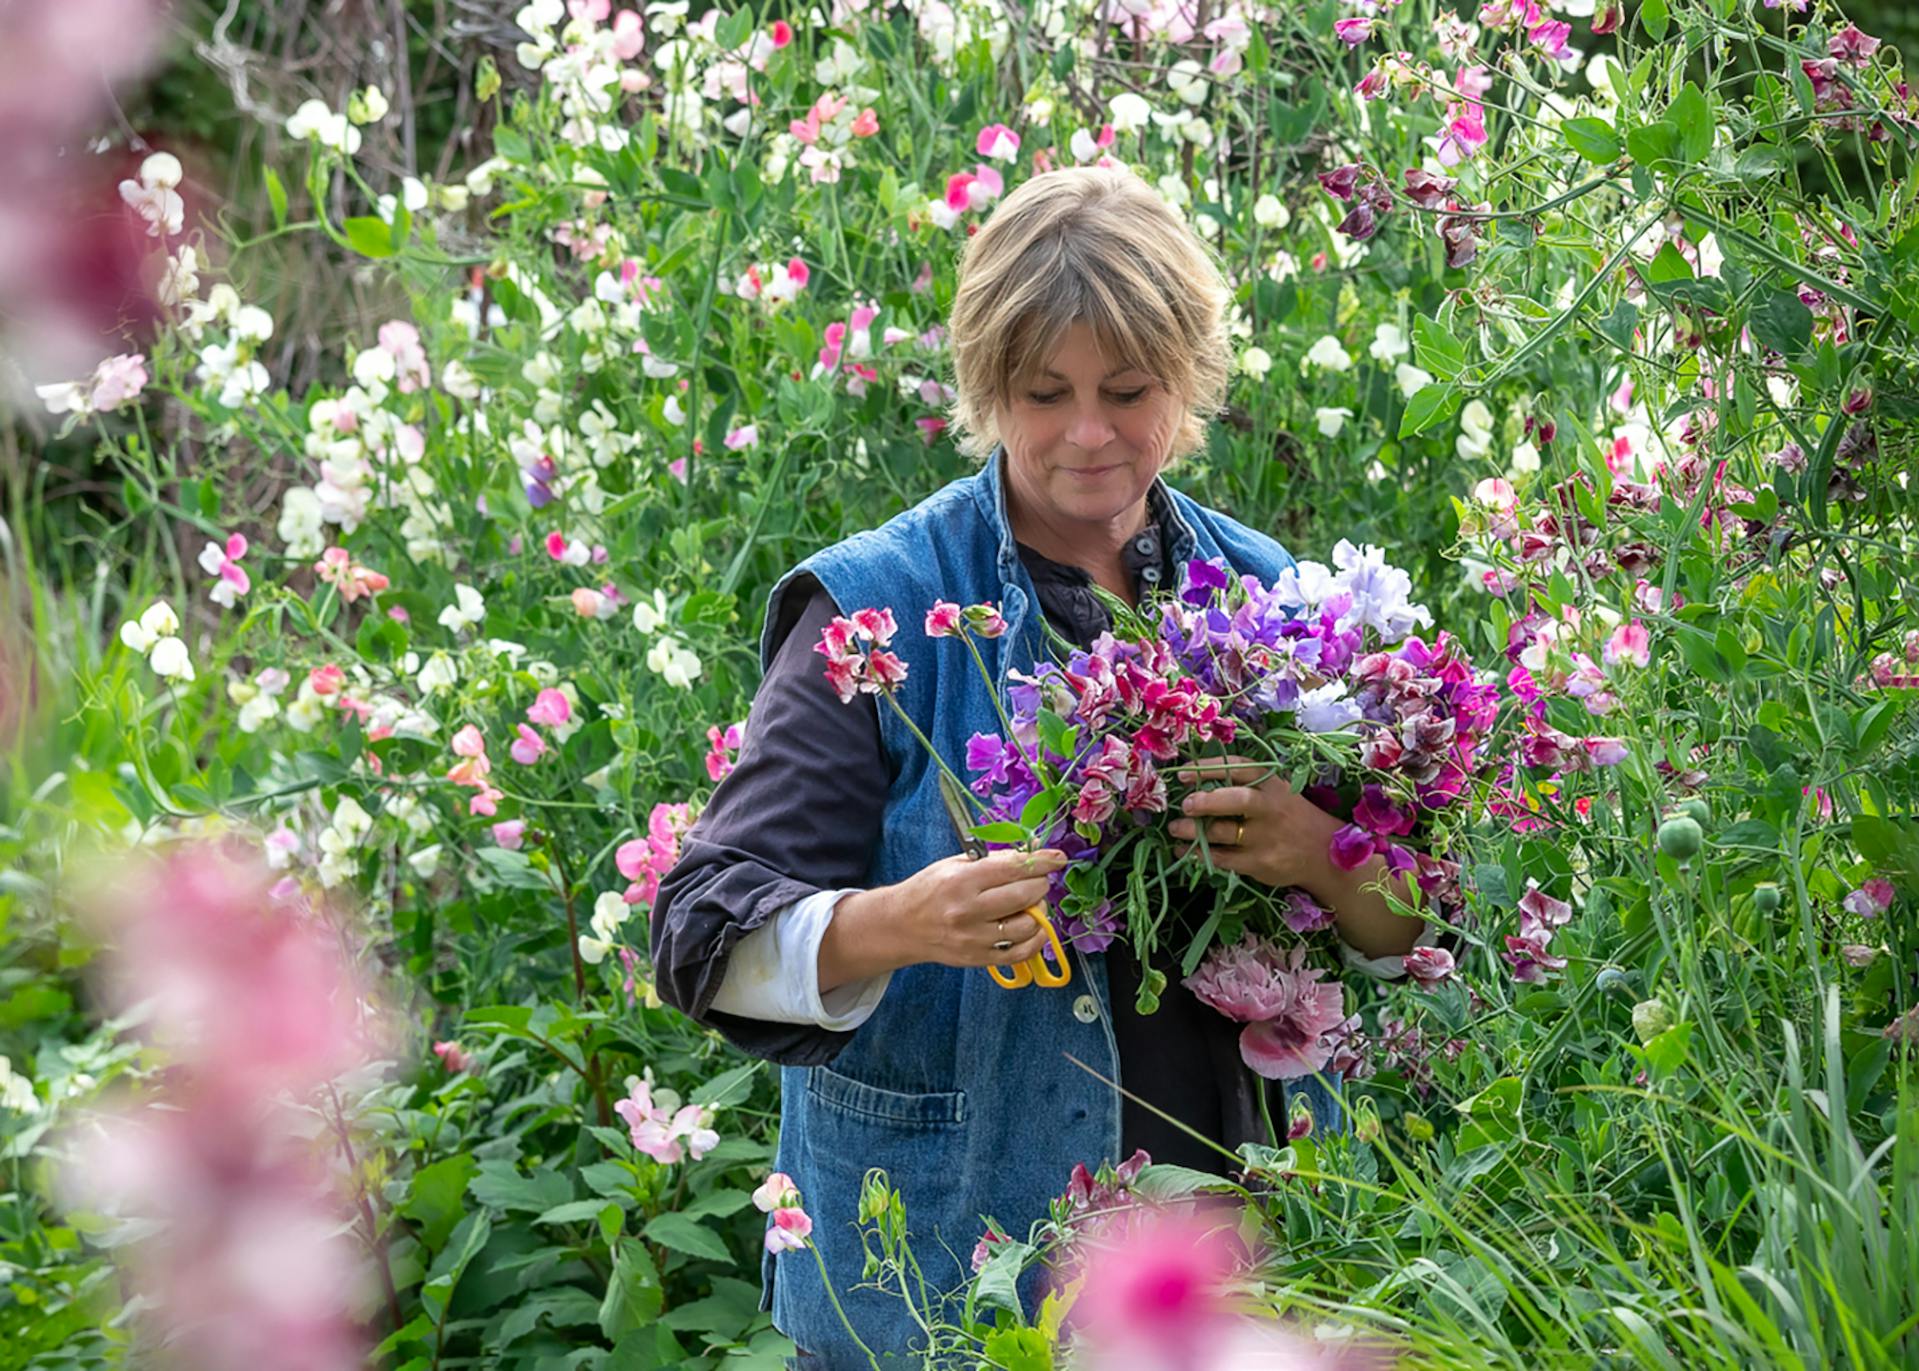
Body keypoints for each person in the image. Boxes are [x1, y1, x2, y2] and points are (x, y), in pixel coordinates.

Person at [650, 165, 1427, 1366]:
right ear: (985, 388)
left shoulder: (1266, 594)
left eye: (1128, 390)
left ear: (1188, 378)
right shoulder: (881, 611)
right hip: (953, 1284)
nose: (1087, 434)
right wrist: (897, 922)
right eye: (1041, 392)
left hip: (1237, 1256)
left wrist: (1314, 852)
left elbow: (1410, 931)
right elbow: (700, 938)